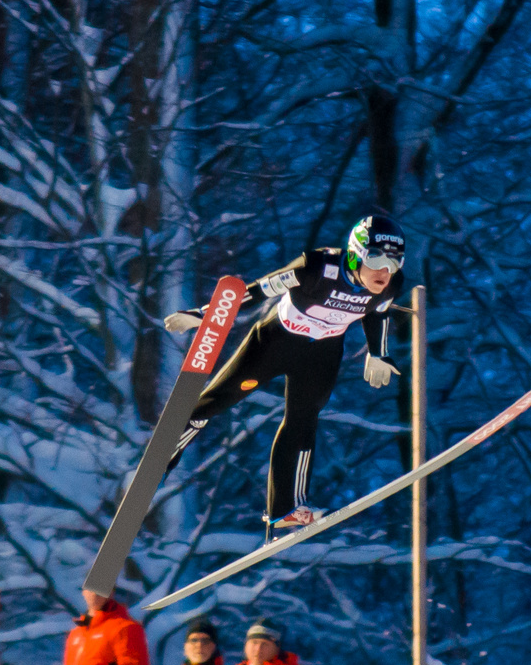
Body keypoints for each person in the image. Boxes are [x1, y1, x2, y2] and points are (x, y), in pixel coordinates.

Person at [162, 215, 407, 530]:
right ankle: (164, 454)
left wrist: (378, 352)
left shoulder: (392, 284)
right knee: (217, 400)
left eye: (394, 262)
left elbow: (378, 312)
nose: (385, 271)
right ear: (353, 254)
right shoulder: (316, 266)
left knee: (303, 422)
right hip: (275, 342)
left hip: (322, 354)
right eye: (375, 258)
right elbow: (257, 291)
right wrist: (206, 315)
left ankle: (285, 509)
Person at [60, 586, 150, 665]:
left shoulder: (125, 628)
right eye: (91, 588)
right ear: (84, 592)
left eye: (101, 588)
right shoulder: (77, 633)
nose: (94, 594)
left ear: (111, 592)